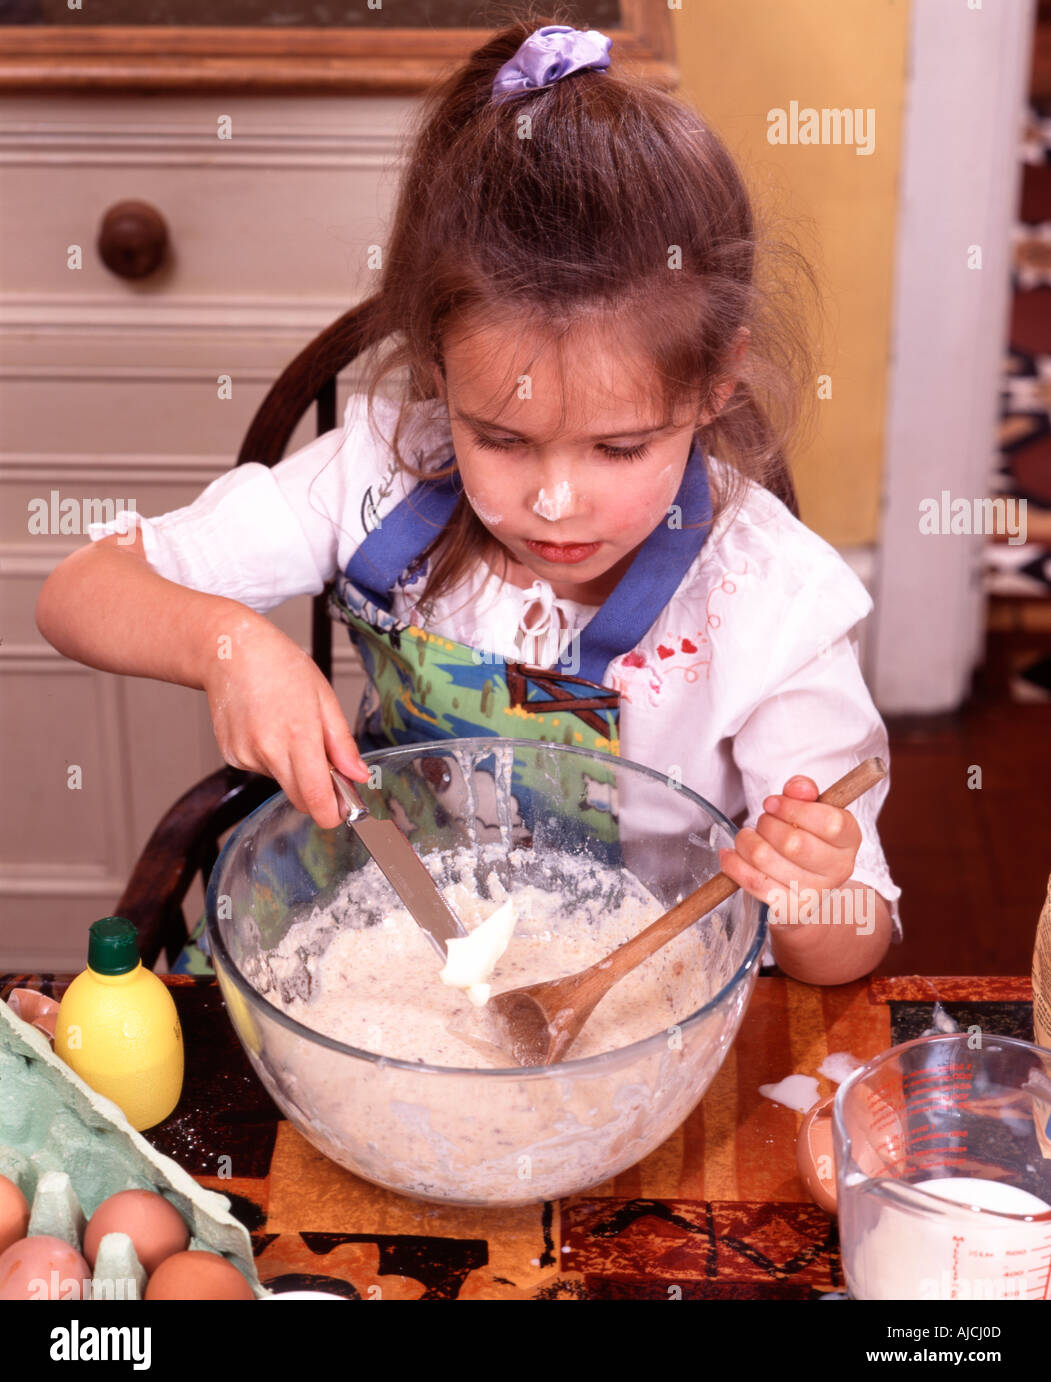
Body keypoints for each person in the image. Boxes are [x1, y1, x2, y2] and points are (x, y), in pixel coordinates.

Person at [36, 18, 902, 986]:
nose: (557, 501)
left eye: (620, 446)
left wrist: (810, 884)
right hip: (371, 958)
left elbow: (845, 952)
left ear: (715, 381)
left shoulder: (768, 601)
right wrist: (227, 646)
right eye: (500, 437)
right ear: (438, 370)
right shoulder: (379, 473)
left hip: (631, 1003)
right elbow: (76, 591)